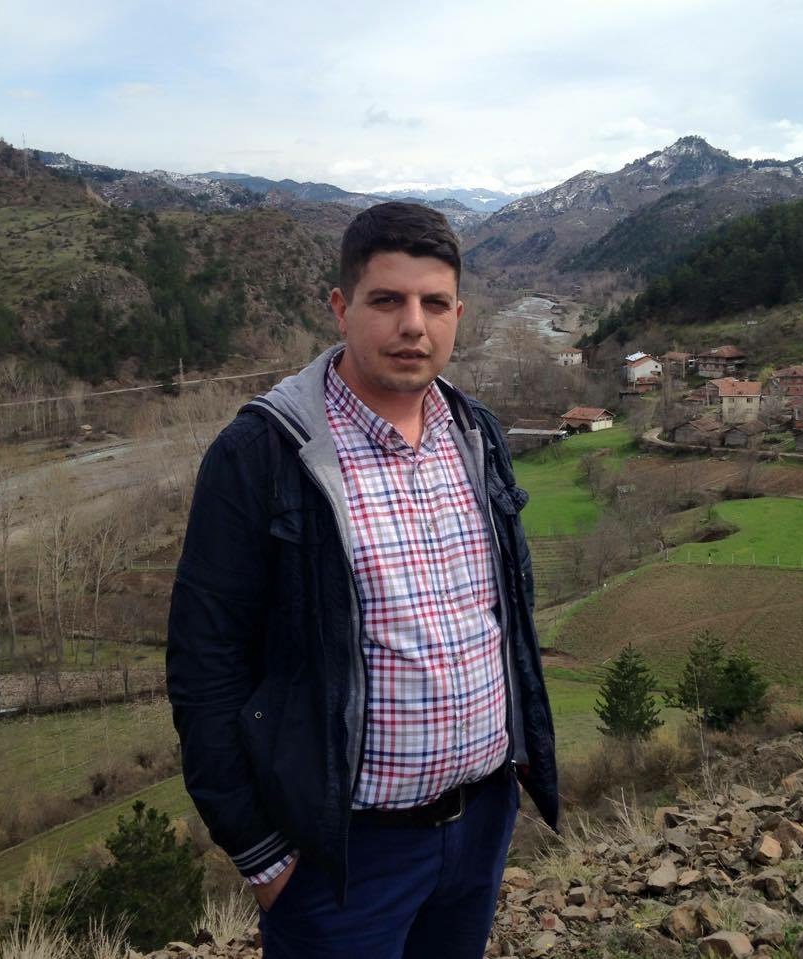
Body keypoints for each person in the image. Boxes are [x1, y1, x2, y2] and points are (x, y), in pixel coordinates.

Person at [166, 201, 558, 959]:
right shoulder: (263, 453)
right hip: (341, 858)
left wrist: (512, 774)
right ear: (341, 308)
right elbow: (204, 664)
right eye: (387, 300)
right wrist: (262, 854)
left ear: (457, 315)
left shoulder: (476, 434)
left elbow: (508, 610)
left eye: (434, 303)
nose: (413, 325)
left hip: (479, 826)